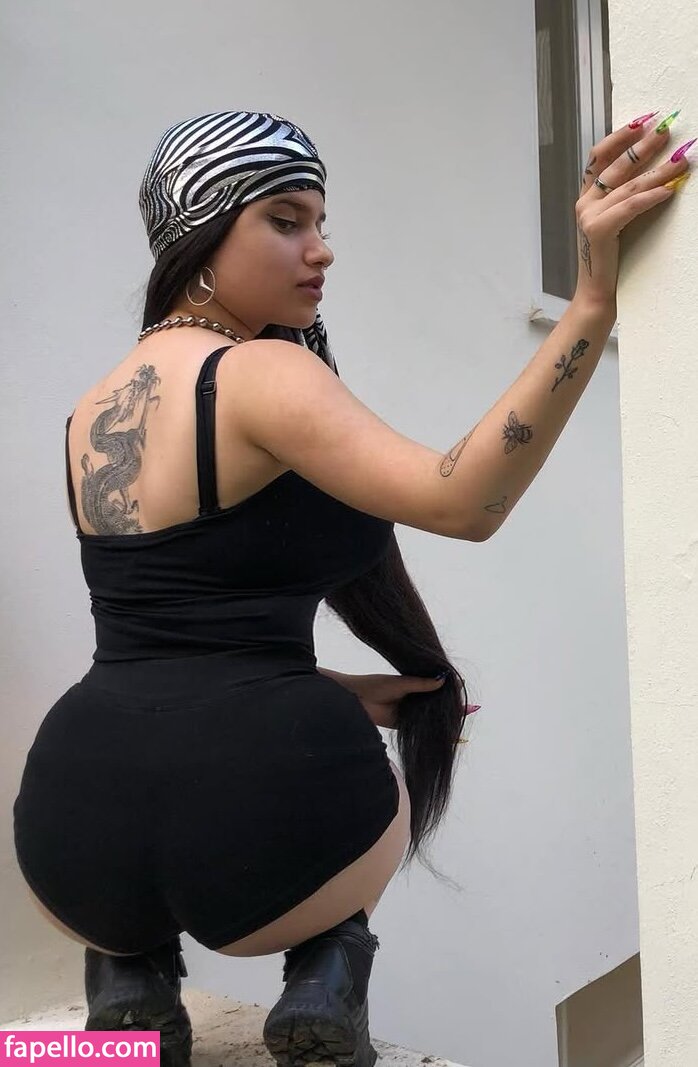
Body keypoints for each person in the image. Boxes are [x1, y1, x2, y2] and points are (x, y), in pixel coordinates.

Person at [12, 108, 691, 1067]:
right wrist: (589, 302)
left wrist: (343, 688)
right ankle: (326, 971)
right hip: (267, 824)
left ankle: (130, 979)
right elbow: (464, 500)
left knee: (218, 790)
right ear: (200, 233)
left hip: (69, 833)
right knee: (360, 780)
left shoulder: (90, 410)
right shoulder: (260, 373)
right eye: (285, 219)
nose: (321, 249)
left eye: (322, 222)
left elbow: (163, 646)